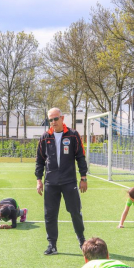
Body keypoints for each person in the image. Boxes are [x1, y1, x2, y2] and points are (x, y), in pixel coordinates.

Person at [35, 107, 87, 255]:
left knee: (75, 211)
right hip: (51, 183)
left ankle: (82, 241)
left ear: (62, 118)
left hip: (69, 181)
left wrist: (83, 177)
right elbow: (39, 160)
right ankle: (52, 245)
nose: (53, 122)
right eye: (50, 119)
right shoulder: (45, 137)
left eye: (55, 118)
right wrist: (39, 180)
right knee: (50, 214)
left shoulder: (73, 135)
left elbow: (80, 157)